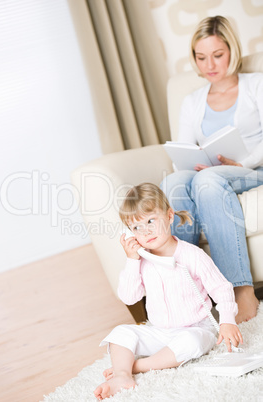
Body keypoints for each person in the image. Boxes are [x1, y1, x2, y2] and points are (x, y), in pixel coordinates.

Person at [94, 183, 243, 400]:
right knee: (119, 333)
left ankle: (138, 366)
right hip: (160, 331)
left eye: (150, 221)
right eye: (136, 228)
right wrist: (132, 261)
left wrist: (228, 320)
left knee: (191, 344)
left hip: (195, 329)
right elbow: (129, 297)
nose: (145, 231)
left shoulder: (192, 255)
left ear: (170, 216)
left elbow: (221, 287)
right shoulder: (141, 261)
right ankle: (122, 376)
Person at [161, 15, 263, 324]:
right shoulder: (192, 101)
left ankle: (239, 288)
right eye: (201, 57)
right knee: (176, 182)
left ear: (232, 51)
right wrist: (192, 164)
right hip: (214, 174)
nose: (210, 64)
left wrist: (240, 163)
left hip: (253, 169)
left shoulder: (256, 84)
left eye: (218, 55)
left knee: (206, 181)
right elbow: (184, 150)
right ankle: (187, 291)